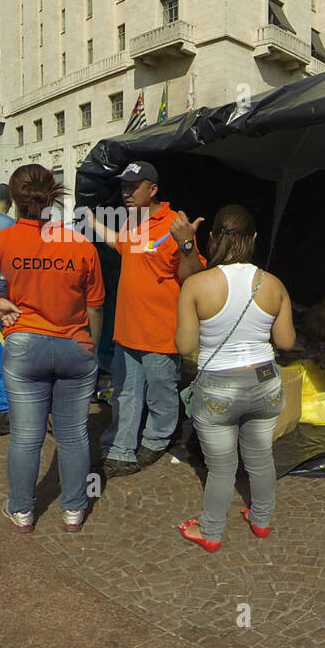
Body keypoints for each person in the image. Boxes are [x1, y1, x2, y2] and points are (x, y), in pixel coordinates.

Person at [0, 165, 106, 532]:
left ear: (15, 199)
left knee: (26, 436)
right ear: (52, 194)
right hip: (74, 345)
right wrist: (92, 349)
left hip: (24, 345)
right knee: (73, 434)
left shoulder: (4, 240)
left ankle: (22, 510)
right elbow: (95, 307)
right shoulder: (79, 243)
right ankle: (73, 509)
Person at [176, 204, 296, 551]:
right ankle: (261, 520)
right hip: (264, 381)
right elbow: (286, 342)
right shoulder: (273, 284)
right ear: (255, 239)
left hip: (217, 386)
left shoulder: (197, 285)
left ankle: (211, 533)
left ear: (212, 238)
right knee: (260, 458)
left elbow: (185, 346)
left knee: (222, 468)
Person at [100, 162, 203, 476]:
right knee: (125, 392)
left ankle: (157, 440)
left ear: (153, 189)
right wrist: (91, 222)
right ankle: (120, 447)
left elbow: (194, 277)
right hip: (127, 330)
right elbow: (122, 246)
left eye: (134, 186)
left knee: (161, 391)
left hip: (159, 331)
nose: (126, 192)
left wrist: (186, 245)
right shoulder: (133, 222)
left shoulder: (176, 224)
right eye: (124, 187)